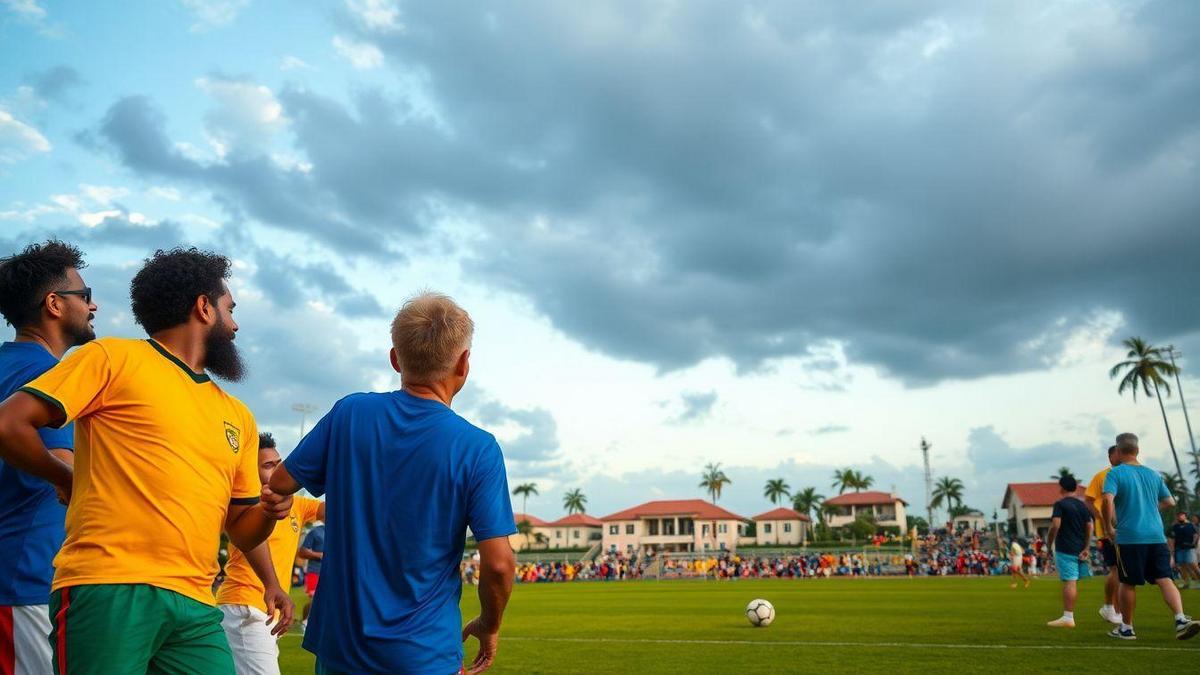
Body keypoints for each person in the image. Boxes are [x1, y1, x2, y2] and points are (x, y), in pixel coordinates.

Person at [0, 247, 293, 673]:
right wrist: (66, 475)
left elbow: (243, 525)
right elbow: (10, 424)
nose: (235, 325)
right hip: (109, 587)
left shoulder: (237, 415)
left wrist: (270, 511)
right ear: (203, 308)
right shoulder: (114, 359)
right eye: (230, 309)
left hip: (196, 605)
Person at [268, 292, 517, 674]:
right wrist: (489, 624)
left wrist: (283, 498)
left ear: (395, 358)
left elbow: (282, 481)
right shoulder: (477, 448)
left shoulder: (350, 412)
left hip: (340, 649)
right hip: (423, 653)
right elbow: (499, 564)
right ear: (464, 364)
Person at [0, 241, 97, 674]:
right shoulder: (50, 375)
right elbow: (64, 461)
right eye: (85, 294)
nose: (93, 306)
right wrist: (74, 480)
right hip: (25, 578)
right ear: (54, 304)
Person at [217, 432, 322, 675]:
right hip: (245, 607)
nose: (277, 470)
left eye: (279, 463)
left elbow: (337, 509)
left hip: (266, 609)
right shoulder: (244, 508)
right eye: (267, 465)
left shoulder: (296, 504)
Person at [1101, 432, 1199, 640]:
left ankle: (1126, 628)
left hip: (1130, 536)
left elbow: (1107, 501)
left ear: (1118, 451)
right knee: (1165, 578)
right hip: (1156, 535)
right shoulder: (1153, 474)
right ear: (1137, 450)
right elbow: (1170, 502)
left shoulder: (1115, 473)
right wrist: (1150, 508)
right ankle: (1180, 619)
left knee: (1128, 582)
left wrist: (1109, 528)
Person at [1045, 475, 1093, 628]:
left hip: (1065, 548)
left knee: (1070, 582)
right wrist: (1086, 547)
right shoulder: (1082, 505)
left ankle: (1068, 617)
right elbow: (1089, 526)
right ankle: (1068, 616)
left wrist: (1049, 543)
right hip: (1080, 548)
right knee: (1073, 581)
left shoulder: (1060, 505)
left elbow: (1055, 525)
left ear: (1062, 488)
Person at [1085, 445, 1124, 625]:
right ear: (1110, 456)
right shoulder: (1102, 476)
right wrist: (1100, 516)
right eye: (1118, 453)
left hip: (1128, 529)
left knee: (1123, 572)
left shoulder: (1128, 473)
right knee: (1116, 570)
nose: (1122, 455)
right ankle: (1111, 608)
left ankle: (1116, 610)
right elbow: (1089, 500)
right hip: (1110, 531)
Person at [298, 522, 325, 631]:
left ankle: (312, 622)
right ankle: (306, 622)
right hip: (315, 571)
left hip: (332, 572)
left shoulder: (340, 532)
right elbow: (302, 552)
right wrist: (319, 555)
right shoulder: (315, 532)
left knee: (326, 599)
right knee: (315, 599)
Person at [1169, 511, 1199, 590]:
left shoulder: (1190, 525)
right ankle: (1186, 583)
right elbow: (1172, 538)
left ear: (1185, 516)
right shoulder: (1175, 527)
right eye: (1178, 515)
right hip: (1179, 548)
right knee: (1182, 567)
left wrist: (1193, 543)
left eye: (1182, 515)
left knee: (1193, 565)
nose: (1180, 517)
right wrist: (1172, 550)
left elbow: (1196, 535)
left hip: (1189, 548)